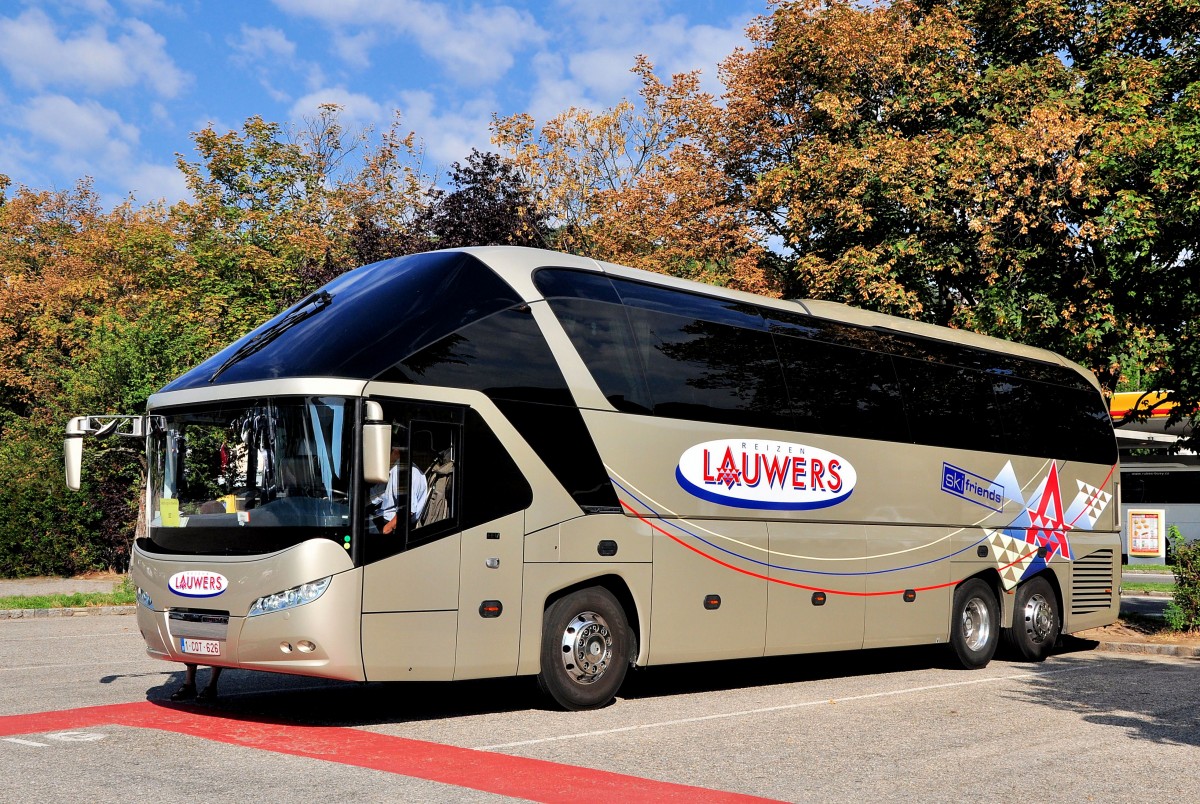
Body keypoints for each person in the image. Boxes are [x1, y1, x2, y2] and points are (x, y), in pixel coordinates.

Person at [375, 444, 428, 535]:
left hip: (394, 525)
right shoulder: (392, 471)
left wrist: (385, 530)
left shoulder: (403, 471)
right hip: (383, 517)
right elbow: (379, 495)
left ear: (395, 451)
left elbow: (407, 511)